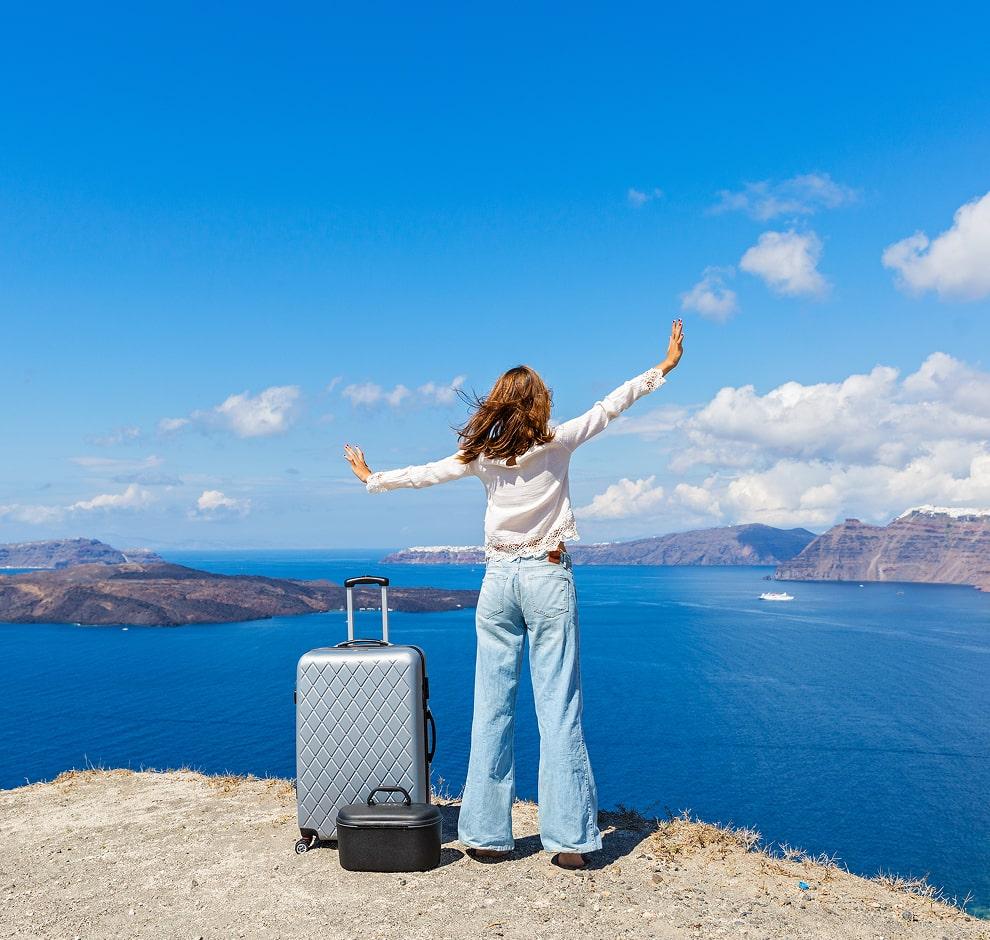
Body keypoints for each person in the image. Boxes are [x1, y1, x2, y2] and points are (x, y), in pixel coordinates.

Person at [343, 319, 685, 870]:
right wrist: (663, 368)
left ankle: (485, 835)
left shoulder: (480, 456)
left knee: (491, 707)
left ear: (498, 405)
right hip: (547, 579)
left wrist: (371, 477)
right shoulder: (560, 442)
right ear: (540, 403)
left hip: (498, 583)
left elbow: (426, 474)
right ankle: (570, 843)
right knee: (559, 710)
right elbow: (611, 406)